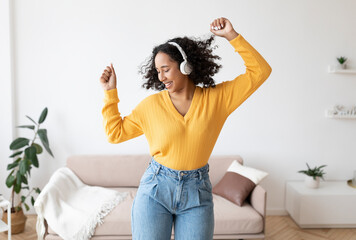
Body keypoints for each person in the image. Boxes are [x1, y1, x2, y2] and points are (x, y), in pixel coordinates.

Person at [99, 17, 271, 240]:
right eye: (157, 71)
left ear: (185, 66)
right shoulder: (151, 106)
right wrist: (109, 93)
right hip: (155, 189)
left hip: (196, 193)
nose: (161, 77)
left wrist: (232, 36)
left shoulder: (218, 100)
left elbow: (260, 71)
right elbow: (115, 134)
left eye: (166, 69)